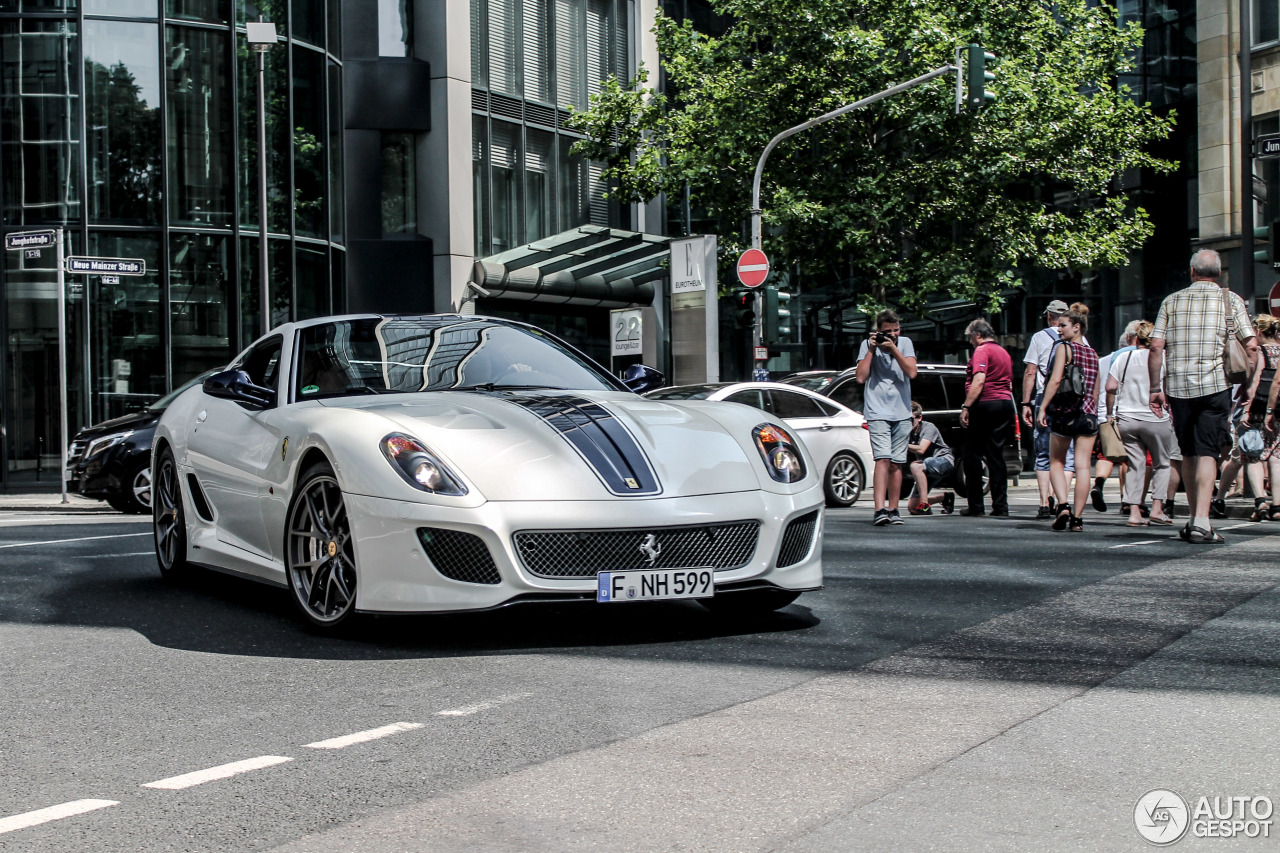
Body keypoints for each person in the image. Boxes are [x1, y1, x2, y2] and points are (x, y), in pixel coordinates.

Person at [1148, 249, 1258, 544]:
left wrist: (1155, 388)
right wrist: (1248, 385)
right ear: (1219, 273)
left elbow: (1156, 346)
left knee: (1187, 452)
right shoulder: (1230, 300)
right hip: (1216, 386)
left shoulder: (1171, 301)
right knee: (1208, 451)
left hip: (1179, 390)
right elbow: (1251, 346)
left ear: (1192, 271)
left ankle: (1192, 520)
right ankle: (1202, 521)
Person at [1105, 321, 1176, 526]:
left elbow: (1111, 387)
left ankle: (1134, 513)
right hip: (1155, 418)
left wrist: (1111, 413)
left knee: (1135, 465)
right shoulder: (1162, 358)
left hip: (1127, 418)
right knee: (1162, 464)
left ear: (1136, 338)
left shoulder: (1123, 358)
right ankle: (1156, 509)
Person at [1037, 303, 1099, 532]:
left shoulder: (1065, 348)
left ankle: (1063, 505)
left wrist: (1043, 407)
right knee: (1083, 467)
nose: (1059, 329)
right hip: (1089, 414)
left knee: (1056, 461)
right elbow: (1095, 390)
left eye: (1063, 326)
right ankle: (1078, 519)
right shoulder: (1093, 354)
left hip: (1066, 413)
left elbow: (1054, 381)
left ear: (1077, 327)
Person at [856, 309, 918, 526]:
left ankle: (894, 509)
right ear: (878, 331)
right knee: (882, 459)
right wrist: (873, 348)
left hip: (901, 411)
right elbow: (861, 377)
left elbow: (912, 372)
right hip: (877, 411)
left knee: (897, 463)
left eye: (896, 330)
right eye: (887, 332)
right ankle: (879, 509)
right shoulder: (867, 345)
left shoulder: (905, 343)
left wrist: (894, 349)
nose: (892, 335)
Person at [1021, 300, 1079, 519]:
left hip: (1044, 398)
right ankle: (1061, 499)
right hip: (1070, 400)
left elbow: (1030, 371)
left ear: (1049, 316)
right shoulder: (1077, 338)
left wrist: (1027, 403)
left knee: (1044, 452)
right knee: (1068, 453)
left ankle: (1044, 502)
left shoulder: (1039, 337)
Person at [959, 319, 1015, 516]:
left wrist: (967, 406)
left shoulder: (982, 350)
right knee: (995, 455)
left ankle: (976, 506)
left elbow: (979, 379)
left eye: (970, 338)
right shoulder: (1003, 352)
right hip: (1004, 403)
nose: (970, 342)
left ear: (978, 335)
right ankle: (1000, 506)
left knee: (971, 455)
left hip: (985, 404)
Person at [1092, 323, 1140, 513]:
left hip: (1105, 414)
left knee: (1106, 455)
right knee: (1127, 458)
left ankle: (1099, 484)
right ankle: (1126, 499)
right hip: (1127, 411)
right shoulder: (1137, 358)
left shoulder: (1104, 360)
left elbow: (1096, 389)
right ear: (1130, 338)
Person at [1238, 314, 1280, 521]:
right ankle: (1277, 506)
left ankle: (1260, 501)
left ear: (1260, 331)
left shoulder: (1259, 353)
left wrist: (1247, 410)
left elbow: (1255, 382)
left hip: (1259, 406)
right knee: (1276, 456)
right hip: (1278, 408)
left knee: (1252, 453)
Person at [905, 402, 956, 515]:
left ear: (919, 418)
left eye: (910, 419)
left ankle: (925, 505)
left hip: (943, 461)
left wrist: (902, 444)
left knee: (915, 466)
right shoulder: (907, 432)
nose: (907, 423)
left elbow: (921, 449)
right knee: (912, 507)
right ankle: (944, 498)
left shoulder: (929, 427)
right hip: (925, 467)